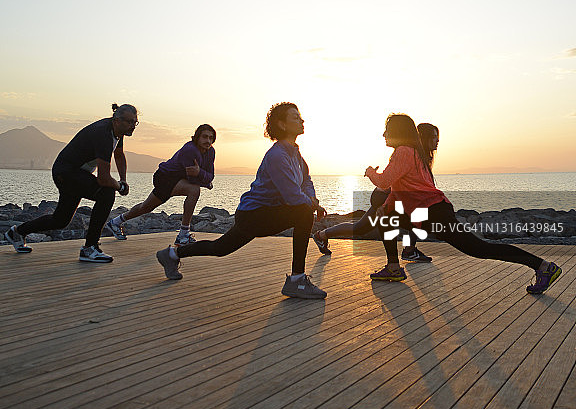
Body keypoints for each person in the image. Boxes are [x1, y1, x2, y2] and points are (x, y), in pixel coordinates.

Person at [364, 113, 562, 295]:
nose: (383, 134)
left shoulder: (404, 152)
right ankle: (393, 267)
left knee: (479, 248)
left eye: (387, 129)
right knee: (385, 218)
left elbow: (384, 182)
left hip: (434, 213)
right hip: (429, 212)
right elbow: (403, 188)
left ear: (398, 131)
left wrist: (371, 172)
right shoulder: (414, 154)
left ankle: (544, 267)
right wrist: (387, 206)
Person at [156, 102, 329, 299]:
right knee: (303, 212)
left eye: (300, 117)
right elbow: (292, 196)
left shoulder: (294, 153)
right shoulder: (277, 155)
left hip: (263, 213)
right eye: (295, 117)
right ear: (281, 125)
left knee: (219, 248)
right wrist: (312, 205)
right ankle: (296, 280)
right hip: (253, 214)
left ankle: (171, 254)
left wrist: (313, 199)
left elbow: (306, 179)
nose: (301, 120)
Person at [4, 103, 138, 263]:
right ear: (117, 120)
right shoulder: (102, 134)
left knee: (61, 220)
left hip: (73, 173)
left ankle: (17, 232)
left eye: (135, 122)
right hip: (66, 172)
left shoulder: (117, 131)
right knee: (106, 193)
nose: (133, 126)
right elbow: (103, 179)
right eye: (129, 122)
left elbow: (119, 155)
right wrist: (120, 186)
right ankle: (90, 248)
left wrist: (123, 179)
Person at [312, 122, 441, 263]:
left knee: (419, 215)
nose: (437, 141)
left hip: (395, 198)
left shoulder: (422, 157)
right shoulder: (409, 154)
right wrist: (372, 174)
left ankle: (409, 250)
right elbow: (390, 182)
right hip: (383, 196)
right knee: (360, 228)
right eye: (434, 137)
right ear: (423, 137)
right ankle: (321, 235)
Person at [108, 124, 216, 245]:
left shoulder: (211, 151)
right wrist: (204, 179)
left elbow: (210, 175)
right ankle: (183, 234)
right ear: (197, 137)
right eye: (205, 137)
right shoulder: (190, 150)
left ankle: (115, 222)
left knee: (146, 207)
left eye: (211, 138)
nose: (208, 141)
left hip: (178, 179)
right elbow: (193, 178)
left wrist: (200, 174)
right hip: (165, 177)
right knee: (194, 190)